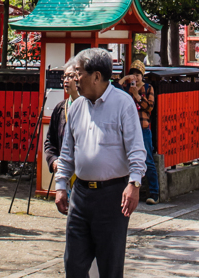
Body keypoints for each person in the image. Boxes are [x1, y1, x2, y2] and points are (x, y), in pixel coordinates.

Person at [55, 48, 146, 278]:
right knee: (74, 265)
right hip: (81, 195)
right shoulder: (76, 107)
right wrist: (61, 186)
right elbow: (67, 152)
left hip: (113, 196)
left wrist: (134, 184)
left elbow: (137, 149)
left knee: (109, 266)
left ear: (96, 76)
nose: (75, 78)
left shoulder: (123, 104)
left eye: (79, 72)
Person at [118, 62, 160, 205]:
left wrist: (137, 96)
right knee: (124, 159)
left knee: (147, 159)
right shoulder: (126, 89)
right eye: (133, 74)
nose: (135, 77)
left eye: (138, 74)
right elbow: (115, 89)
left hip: (143, 127)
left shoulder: (148, 88)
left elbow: (150, 107)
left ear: (142, 75)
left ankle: (154, 193)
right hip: (128, 128)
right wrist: (125, 79)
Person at [44, 60, 80, 174]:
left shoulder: (91, 106)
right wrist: (53, 160)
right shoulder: (60, 109)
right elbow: (50, 141)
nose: (66, 80)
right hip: (65, 174)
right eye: (64, 77)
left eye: (70, 76)